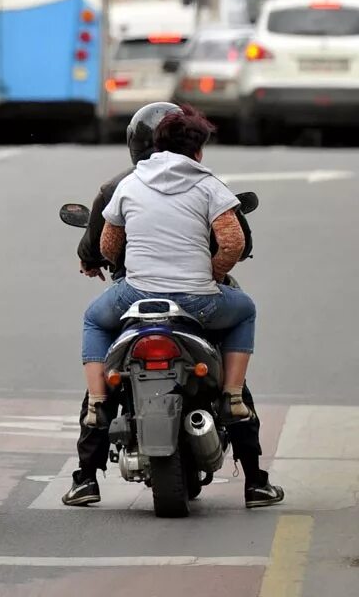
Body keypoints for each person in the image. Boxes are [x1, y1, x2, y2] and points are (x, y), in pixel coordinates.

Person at [64, 103, 283, 508]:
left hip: (135, 298)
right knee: (244, 314)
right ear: (196, 149)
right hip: (198, 304)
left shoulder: (123, 186)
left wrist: (123, 267)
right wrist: (214, 272)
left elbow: (104, 245)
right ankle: (252, 473)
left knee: (96, 324)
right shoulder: (210, 184)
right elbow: (236, 243)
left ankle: (87, 465)